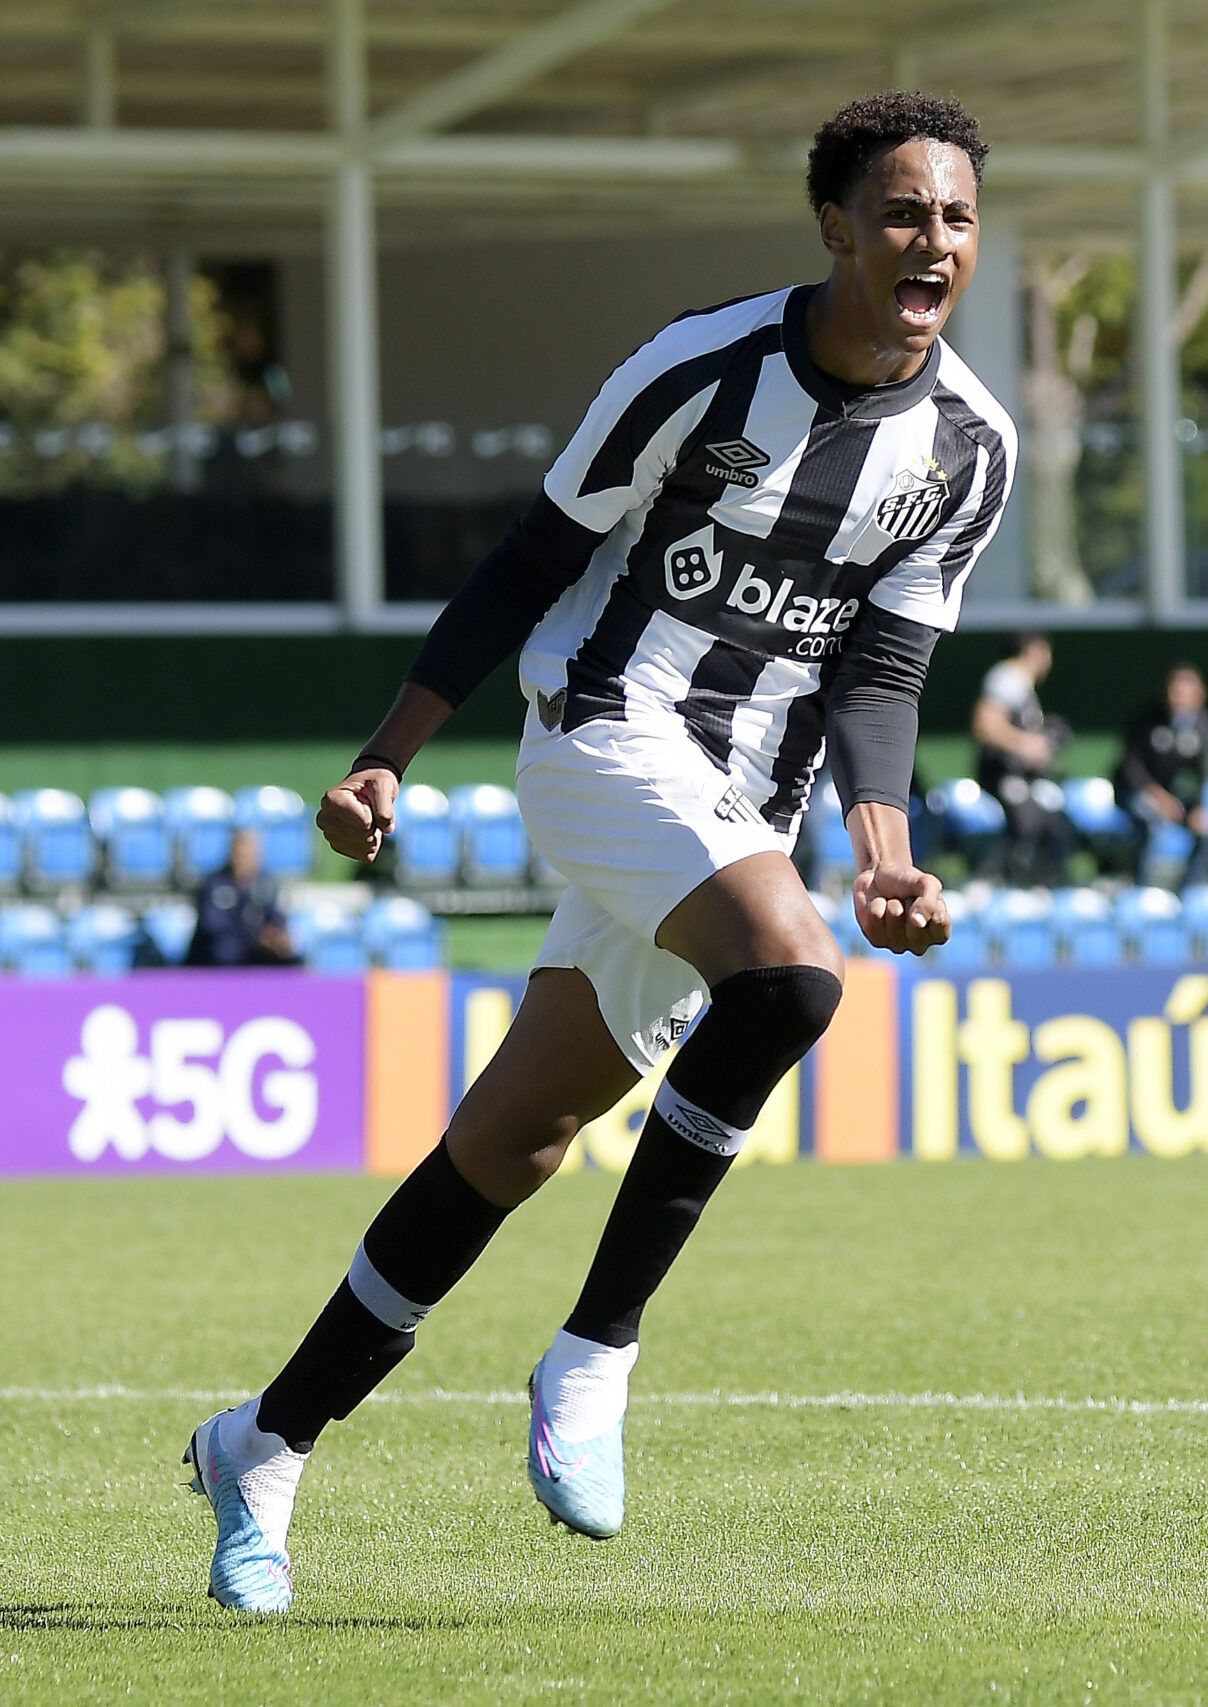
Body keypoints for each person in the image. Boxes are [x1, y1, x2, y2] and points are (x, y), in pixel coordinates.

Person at [182, 91, 1013, 1615]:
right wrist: (388, 749)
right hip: (601, 735)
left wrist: (884, 848)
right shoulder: (693, 371)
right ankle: (596, 1352)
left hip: (748, 805)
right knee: (790, 976)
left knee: (513, 1144)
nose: (934, 241)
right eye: (904, 212)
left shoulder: (969, 447)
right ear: (835, 225)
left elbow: (880, 674)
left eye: (956, 216)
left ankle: (263, 1443)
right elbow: (531, 562)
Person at [973, 631, 1072, 885]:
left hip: (1021, 778)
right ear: (1034, 650)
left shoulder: (1022, 683)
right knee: (1027, 823)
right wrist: (1026, 745)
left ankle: (1037, 883)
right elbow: (985, 725)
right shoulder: (1009, 677)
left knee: (1054, 824)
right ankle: (997, 882)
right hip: (1000, 776)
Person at [1114, 662, 1208, 889]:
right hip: (1134, 792)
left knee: (1207, 830)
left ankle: (1185, 893)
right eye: (1174, 690)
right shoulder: (1147, 720)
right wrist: (1158, 797)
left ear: (1199, 695)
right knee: (1148, 823)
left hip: (1170, 794)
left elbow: (1202, 771)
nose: (1178, 697)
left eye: (1185, 692)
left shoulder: (1204, 725)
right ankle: (1142, 890)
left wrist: (1198, 808)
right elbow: (1130, 767)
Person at [183, 826, 299, 967]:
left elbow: (276, 919)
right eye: (240, 852)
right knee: (226, 950)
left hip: (256, 953)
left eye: (251, 852)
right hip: (217, 959)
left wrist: (276, 939)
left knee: (287, 954)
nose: (244, 857)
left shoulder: (266, 884)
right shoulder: (214, 884)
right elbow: (212, 927)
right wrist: (256, 938)